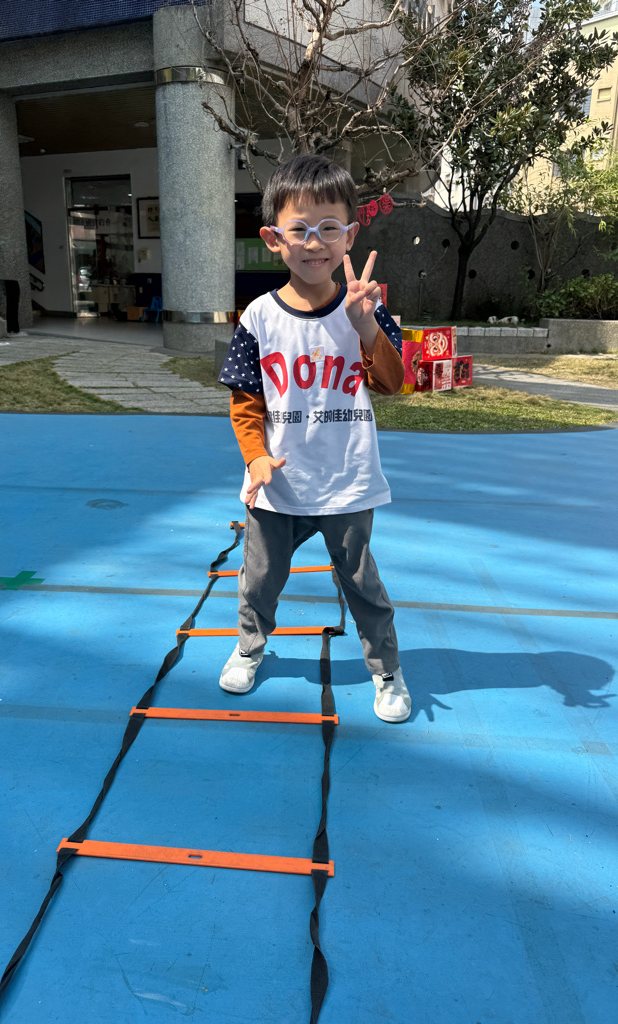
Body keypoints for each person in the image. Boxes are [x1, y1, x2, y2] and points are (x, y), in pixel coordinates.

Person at [217, 155, 410, 723]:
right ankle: (250, 646)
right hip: (278, 485)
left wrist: (365, 325)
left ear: (350, 235)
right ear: (274, 239)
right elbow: (245, 402)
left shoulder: (366, 308)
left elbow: (392, 383)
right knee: (259, 579)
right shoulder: (258, 317)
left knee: (363, 584)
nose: (314, 242)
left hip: (348, 482)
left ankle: (387, 671)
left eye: (329, 228)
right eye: (299, 229)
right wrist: (255, 458)